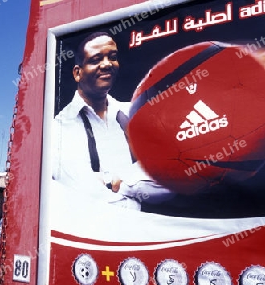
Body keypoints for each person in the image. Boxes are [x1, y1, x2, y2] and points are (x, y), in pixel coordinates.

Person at [52, 32, 174, 211]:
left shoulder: (134, 113)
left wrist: (115, 182)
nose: (107, 64)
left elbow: (171, 177)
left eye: (113, 57)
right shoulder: (59, 127)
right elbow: (83, 191)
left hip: (147, 232)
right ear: (78, 73)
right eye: (96, 59)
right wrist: (136, 180)